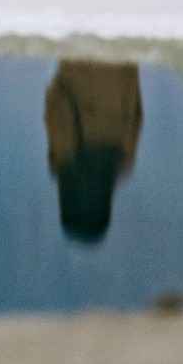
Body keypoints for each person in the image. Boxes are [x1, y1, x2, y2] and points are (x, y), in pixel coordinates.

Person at [43, 60, 143, 244]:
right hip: (81, 53)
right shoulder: (67, 160)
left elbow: (137, 114)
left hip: (123, 58)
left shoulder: (123, 160)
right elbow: (59, 105)